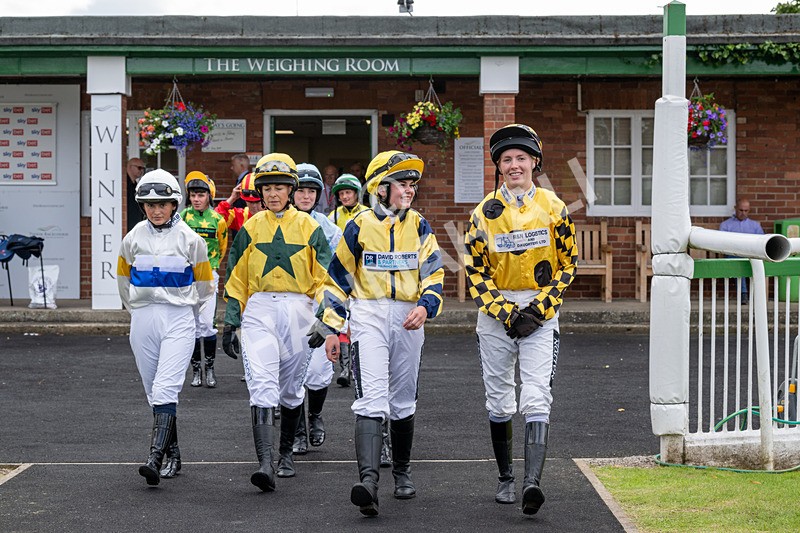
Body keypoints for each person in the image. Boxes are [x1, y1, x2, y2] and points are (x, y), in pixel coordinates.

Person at [312, 150, 445, 516]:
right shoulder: (357, 227)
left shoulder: (419, 225)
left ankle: (401, 473)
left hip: (408, 316)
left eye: (412, 184)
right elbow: (336, 280)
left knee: (402, 400)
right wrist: (330, 329)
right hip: (367, 314)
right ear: (380, 188)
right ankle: (368, 482)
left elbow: (434, 273)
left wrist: (425, 305)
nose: (410, 190)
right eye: (403, 183)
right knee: (371, 397)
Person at [464, 124, 578, 516]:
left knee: (535, 396)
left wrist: (538, 310)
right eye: (506, 159)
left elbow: (568, 263)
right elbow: (475, 272)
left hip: (539, 310)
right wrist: (506, 312)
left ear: (534, 162)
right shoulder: (482, 214)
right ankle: (506, 478)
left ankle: (532, 483)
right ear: (499, 167)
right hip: (497, 314)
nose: (514, 165)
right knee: (499, 401)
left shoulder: (554, 207)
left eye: (521, 158)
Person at [221, 153, 333, 493]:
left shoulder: (312, 228)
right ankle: (266, 463)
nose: (273, 194)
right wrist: (230, 320)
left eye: (279, 188)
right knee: (262, 383)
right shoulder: (251, 227)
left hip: (300, 308)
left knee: (290, 388)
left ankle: (286, 454)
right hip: (259, 309)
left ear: (291, 190)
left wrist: (325, 319)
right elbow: (236, 275)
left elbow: (328, 276)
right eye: (267, 188)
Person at [117, 169, 216, 485]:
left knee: (165, 388)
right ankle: (173, 453)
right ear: (142, 206)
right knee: (152, 392)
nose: (156, 210)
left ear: (175, 204)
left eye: (163, 204)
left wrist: (195, 317)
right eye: (149, 205)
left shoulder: (191, 239)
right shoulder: (132, 238)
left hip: (178, 318)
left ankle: (154, 459)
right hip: (143, 318)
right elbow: (122, 280)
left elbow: (205, 286)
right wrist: (136, 309)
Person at [290, 163, 343, 455]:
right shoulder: (280, 224)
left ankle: (315, 416)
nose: (306, 196)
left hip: (321, 304)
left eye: (312, 191)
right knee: (294, 369)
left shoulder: (331, 229)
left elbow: (340, 272)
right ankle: (297, 430)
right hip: (292, 303)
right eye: (301, 190)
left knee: (320, 369)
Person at [180, 171, 229, 388]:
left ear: (209, 196)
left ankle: (210, 368)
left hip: (209, 275)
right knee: (191, 325)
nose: (197, 199)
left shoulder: (218, 220)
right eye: (193, 195)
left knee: (207, 324)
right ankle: (196, 370)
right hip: (186, 276)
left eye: (201, 195)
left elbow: (222, 247)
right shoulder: (182, 218)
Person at [719, 198, 764, 298]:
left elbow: (762, 242)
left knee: (755, 262)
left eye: (746, 210)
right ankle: (744, 293)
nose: (743, 213)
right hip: (733, 255)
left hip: (752, 255)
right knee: (738, 262)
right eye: (741, 210)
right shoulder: (726, 225)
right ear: (735, 208)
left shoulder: (755, 226)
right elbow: (721, 243)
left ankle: (756, 295)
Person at [125, 157, 146, 233]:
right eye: (139, 168)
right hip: (128, 222)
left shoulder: (135, 184)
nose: (141, 171)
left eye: (143, 169)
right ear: (130, 167)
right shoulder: (124, 184)